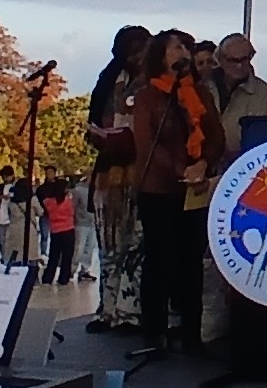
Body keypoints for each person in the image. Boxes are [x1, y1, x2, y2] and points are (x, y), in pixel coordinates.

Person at [131, 29, 224, 354]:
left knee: (190, 260)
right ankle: (154, 332)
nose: (182, 51)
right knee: (159, 259)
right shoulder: (147, 96)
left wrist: (203, 165)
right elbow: (147, 145)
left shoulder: (199, 92)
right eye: (175, 47)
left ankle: (191, 331)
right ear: (161, 55)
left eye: (185, 46)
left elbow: (216, 136)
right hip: (157, 189)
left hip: (194, 188)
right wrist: (180, 170)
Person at [86, 25, 149, 333]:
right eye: (132, 49)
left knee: (135, 246)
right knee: (108, 244)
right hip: (109, 173)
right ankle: (106, 309)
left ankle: (130, 310)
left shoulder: (153, 84)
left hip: (142, 173)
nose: (137, 55)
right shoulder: (108, 81)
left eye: (142, 48)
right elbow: (93, 121)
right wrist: (100, 136)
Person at [216, 32, 267, 161]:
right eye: (233, 60)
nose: (239, 65)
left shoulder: (265, 94)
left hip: (246, 167)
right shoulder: (203, 87)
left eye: (244, 59)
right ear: (220, 59)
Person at [41, 175, 79, 285]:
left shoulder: (48, 202)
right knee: (67, 256)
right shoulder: (68, 201)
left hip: (55, 231)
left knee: (54, 255)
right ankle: (63, 278)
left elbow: (46, 212)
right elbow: (73, 213)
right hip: (68, 229)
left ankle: (48, 277)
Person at [0, 164, 16, 261]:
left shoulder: (15, 187)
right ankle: (3, 256)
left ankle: (7, 258)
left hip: (11, 218)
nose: (6, 178)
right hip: (0, 217)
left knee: (9, 240)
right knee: (1, 240)